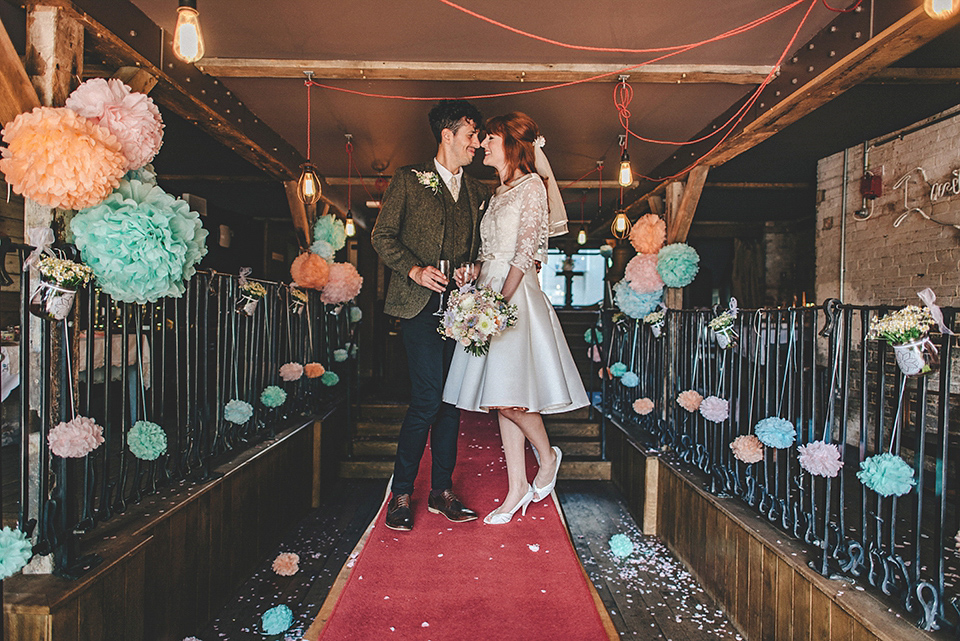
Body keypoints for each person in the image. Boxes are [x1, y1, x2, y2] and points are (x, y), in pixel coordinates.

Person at [442, 112, 589, 525]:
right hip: (489, 288)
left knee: (509, 398)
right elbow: (492, 249)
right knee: (499, 398)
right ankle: (516, 489)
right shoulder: (498, 192)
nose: (482, 145)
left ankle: (547, 458)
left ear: (511, 144)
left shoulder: (531, 189)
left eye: (489, 139)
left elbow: (525, 255)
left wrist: (497, 306)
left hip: (514, 296)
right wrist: (472, 276)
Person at [371, 100, 490, 531]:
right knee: (426, 398)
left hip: (461, 311)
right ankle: (401, 492)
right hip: (417, 308)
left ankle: (441, 491)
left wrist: (473, 268)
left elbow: (483, 251)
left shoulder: (478, 192)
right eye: (471, 135)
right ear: (447, 135)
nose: (477, 144)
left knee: (451, 402)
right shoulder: (408, 179)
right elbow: (381, 235)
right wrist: (414, 269)